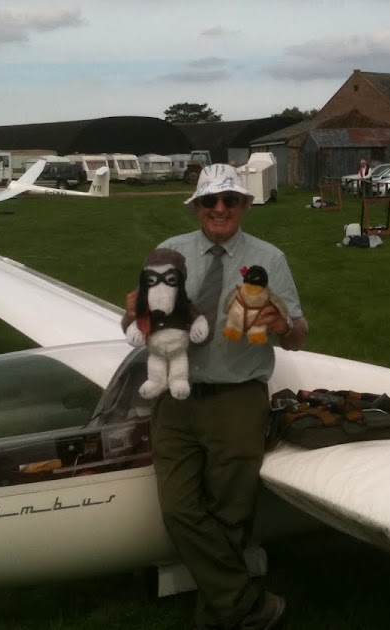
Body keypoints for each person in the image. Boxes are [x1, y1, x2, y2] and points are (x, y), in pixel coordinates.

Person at [121, 163, 307, 630]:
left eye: (229, 200)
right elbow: (146, 322)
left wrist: (283, 325)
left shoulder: (270, 258)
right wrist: (132, 315)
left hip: (237, 398)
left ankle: (219, 613)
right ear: (197, 207)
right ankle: (247, 606)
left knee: (231, 511)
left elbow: (298, 337)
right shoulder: (168, 253)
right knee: (179, 509)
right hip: (174, 398)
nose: (219, 210)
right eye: (210, 201)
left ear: (245, 204)